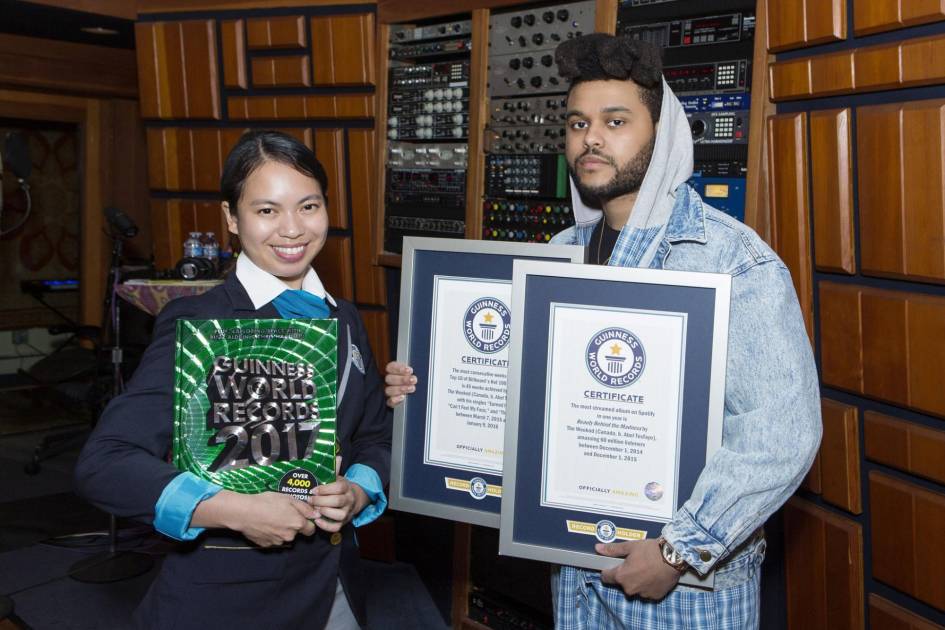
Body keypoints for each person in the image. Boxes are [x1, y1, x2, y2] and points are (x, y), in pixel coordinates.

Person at [385, 34, 821, 629]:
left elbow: (784, 432)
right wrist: (430, 392)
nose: (590, 138)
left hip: (686, 590)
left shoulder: (730, 259)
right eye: (577, 123)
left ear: (663, 133)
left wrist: (677, 550)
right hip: (572, 565)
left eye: (615, 121)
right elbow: (524, 395)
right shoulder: (558, 254)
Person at [75, 130, 390, 630]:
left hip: (335, 590)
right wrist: (231, 510)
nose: (292, 229)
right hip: (231, 600)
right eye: (267, 210)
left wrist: (358, 489)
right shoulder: (199, 325)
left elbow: (373, 436)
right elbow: (105, 462)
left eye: (308, 206)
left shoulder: (345, 318)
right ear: (231, 218)